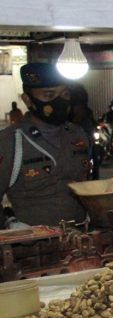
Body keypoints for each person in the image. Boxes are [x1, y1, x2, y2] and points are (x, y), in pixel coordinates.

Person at [0, 62, 89, 228]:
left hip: (80, 239)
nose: (59, 101)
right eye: (49, 95)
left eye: (64, 94)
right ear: (27, 100)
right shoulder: (10, 141)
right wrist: (9, 226)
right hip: (32, 247)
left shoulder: (77, 134)